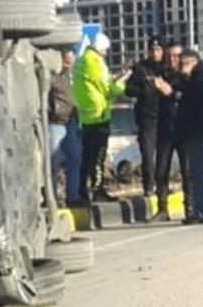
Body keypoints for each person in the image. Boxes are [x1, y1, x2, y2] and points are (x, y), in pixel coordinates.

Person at [157, 49, 203, 224]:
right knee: (198, 172)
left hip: (199, 129)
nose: (180, 67)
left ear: (191, 62)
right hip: (195, 129)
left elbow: (194, 99)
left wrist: (173, 91)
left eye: (183, 63)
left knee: (198, 173)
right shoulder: (199, 76)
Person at [73, 33, 131, 204]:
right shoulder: (96, 63)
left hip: (86, 116)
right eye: (105, 51)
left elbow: (96, 84)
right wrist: (123, 83)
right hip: (99, 115)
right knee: (98, 156)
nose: (106, 54)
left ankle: (82, 190)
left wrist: (120, 73)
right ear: (101, 48)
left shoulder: (81, 61)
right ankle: (97, 190)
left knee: (86, 157)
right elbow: (109, 90)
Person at [123, 36, 165, 198]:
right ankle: (148, 187)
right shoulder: (141, 68)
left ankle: (162, 186)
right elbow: (129, 89)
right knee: (147, 154)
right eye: (152, 50)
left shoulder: (166, 68)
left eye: (158, 50)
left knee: (163, 156)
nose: (155, 53)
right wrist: (144, 90)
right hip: (147, 118)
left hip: (164, 117)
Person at [148, 42, 185, 222]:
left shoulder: (187, 76)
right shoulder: (162, 75)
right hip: (165, 129)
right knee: (161, 170)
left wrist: (171, 92)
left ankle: (191, 206)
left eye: (176, 56)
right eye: (169, 56)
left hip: (184, 128)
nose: (173, 60)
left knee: (187, 170)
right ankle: (162, 208)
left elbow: (190, 98)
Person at [48, 48, 82, 206]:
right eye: (66, 59)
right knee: (53, 162)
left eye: (71, 58)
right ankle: (51, 197)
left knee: (75, 159)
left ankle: (73, 196)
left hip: (70, 123)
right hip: (56, 122)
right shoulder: (52, 76)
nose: (69, 62)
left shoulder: (72, 77)